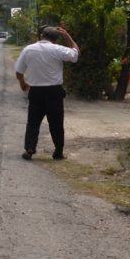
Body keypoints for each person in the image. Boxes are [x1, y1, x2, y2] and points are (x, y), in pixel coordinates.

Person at [15, 26, 80, 160]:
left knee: (33, 122)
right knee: (56, 124)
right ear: (55, 39)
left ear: (41, 36)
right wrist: (67, 36)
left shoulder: (28, 49)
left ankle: (30, 149)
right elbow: (75, 54)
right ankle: (58, 152)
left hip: (36, 91)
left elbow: (19, 72)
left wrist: (22, 83)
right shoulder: (58, 49)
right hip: (54, 92)